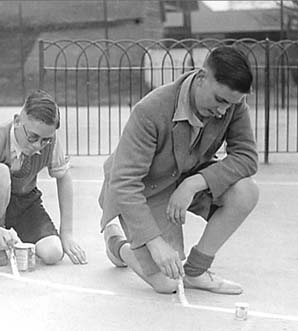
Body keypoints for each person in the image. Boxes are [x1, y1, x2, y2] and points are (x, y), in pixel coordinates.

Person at [99, 46, 259, 295]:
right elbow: (125, 183)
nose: (222, 111)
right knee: (167, 283)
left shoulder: (233, 104)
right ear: (202, 76)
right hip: (143, 187)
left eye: (230, 105)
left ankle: (196, 271)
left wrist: (194, 183)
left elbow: (247, 157)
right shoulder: (149, 110)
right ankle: (117, 244)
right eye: (219, 100)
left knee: (246, 191)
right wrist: (154, 242)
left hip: (186, 179)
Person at [0, 89, 87, 266]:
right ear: (17, 121)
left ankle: (10, 234)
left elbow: (63, 176)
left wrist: (66, 233)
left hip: (24, 202)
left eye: (45, 140)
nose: (38, 146)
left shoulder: (49, 139)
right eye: (33, 137)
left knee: (53, 253)